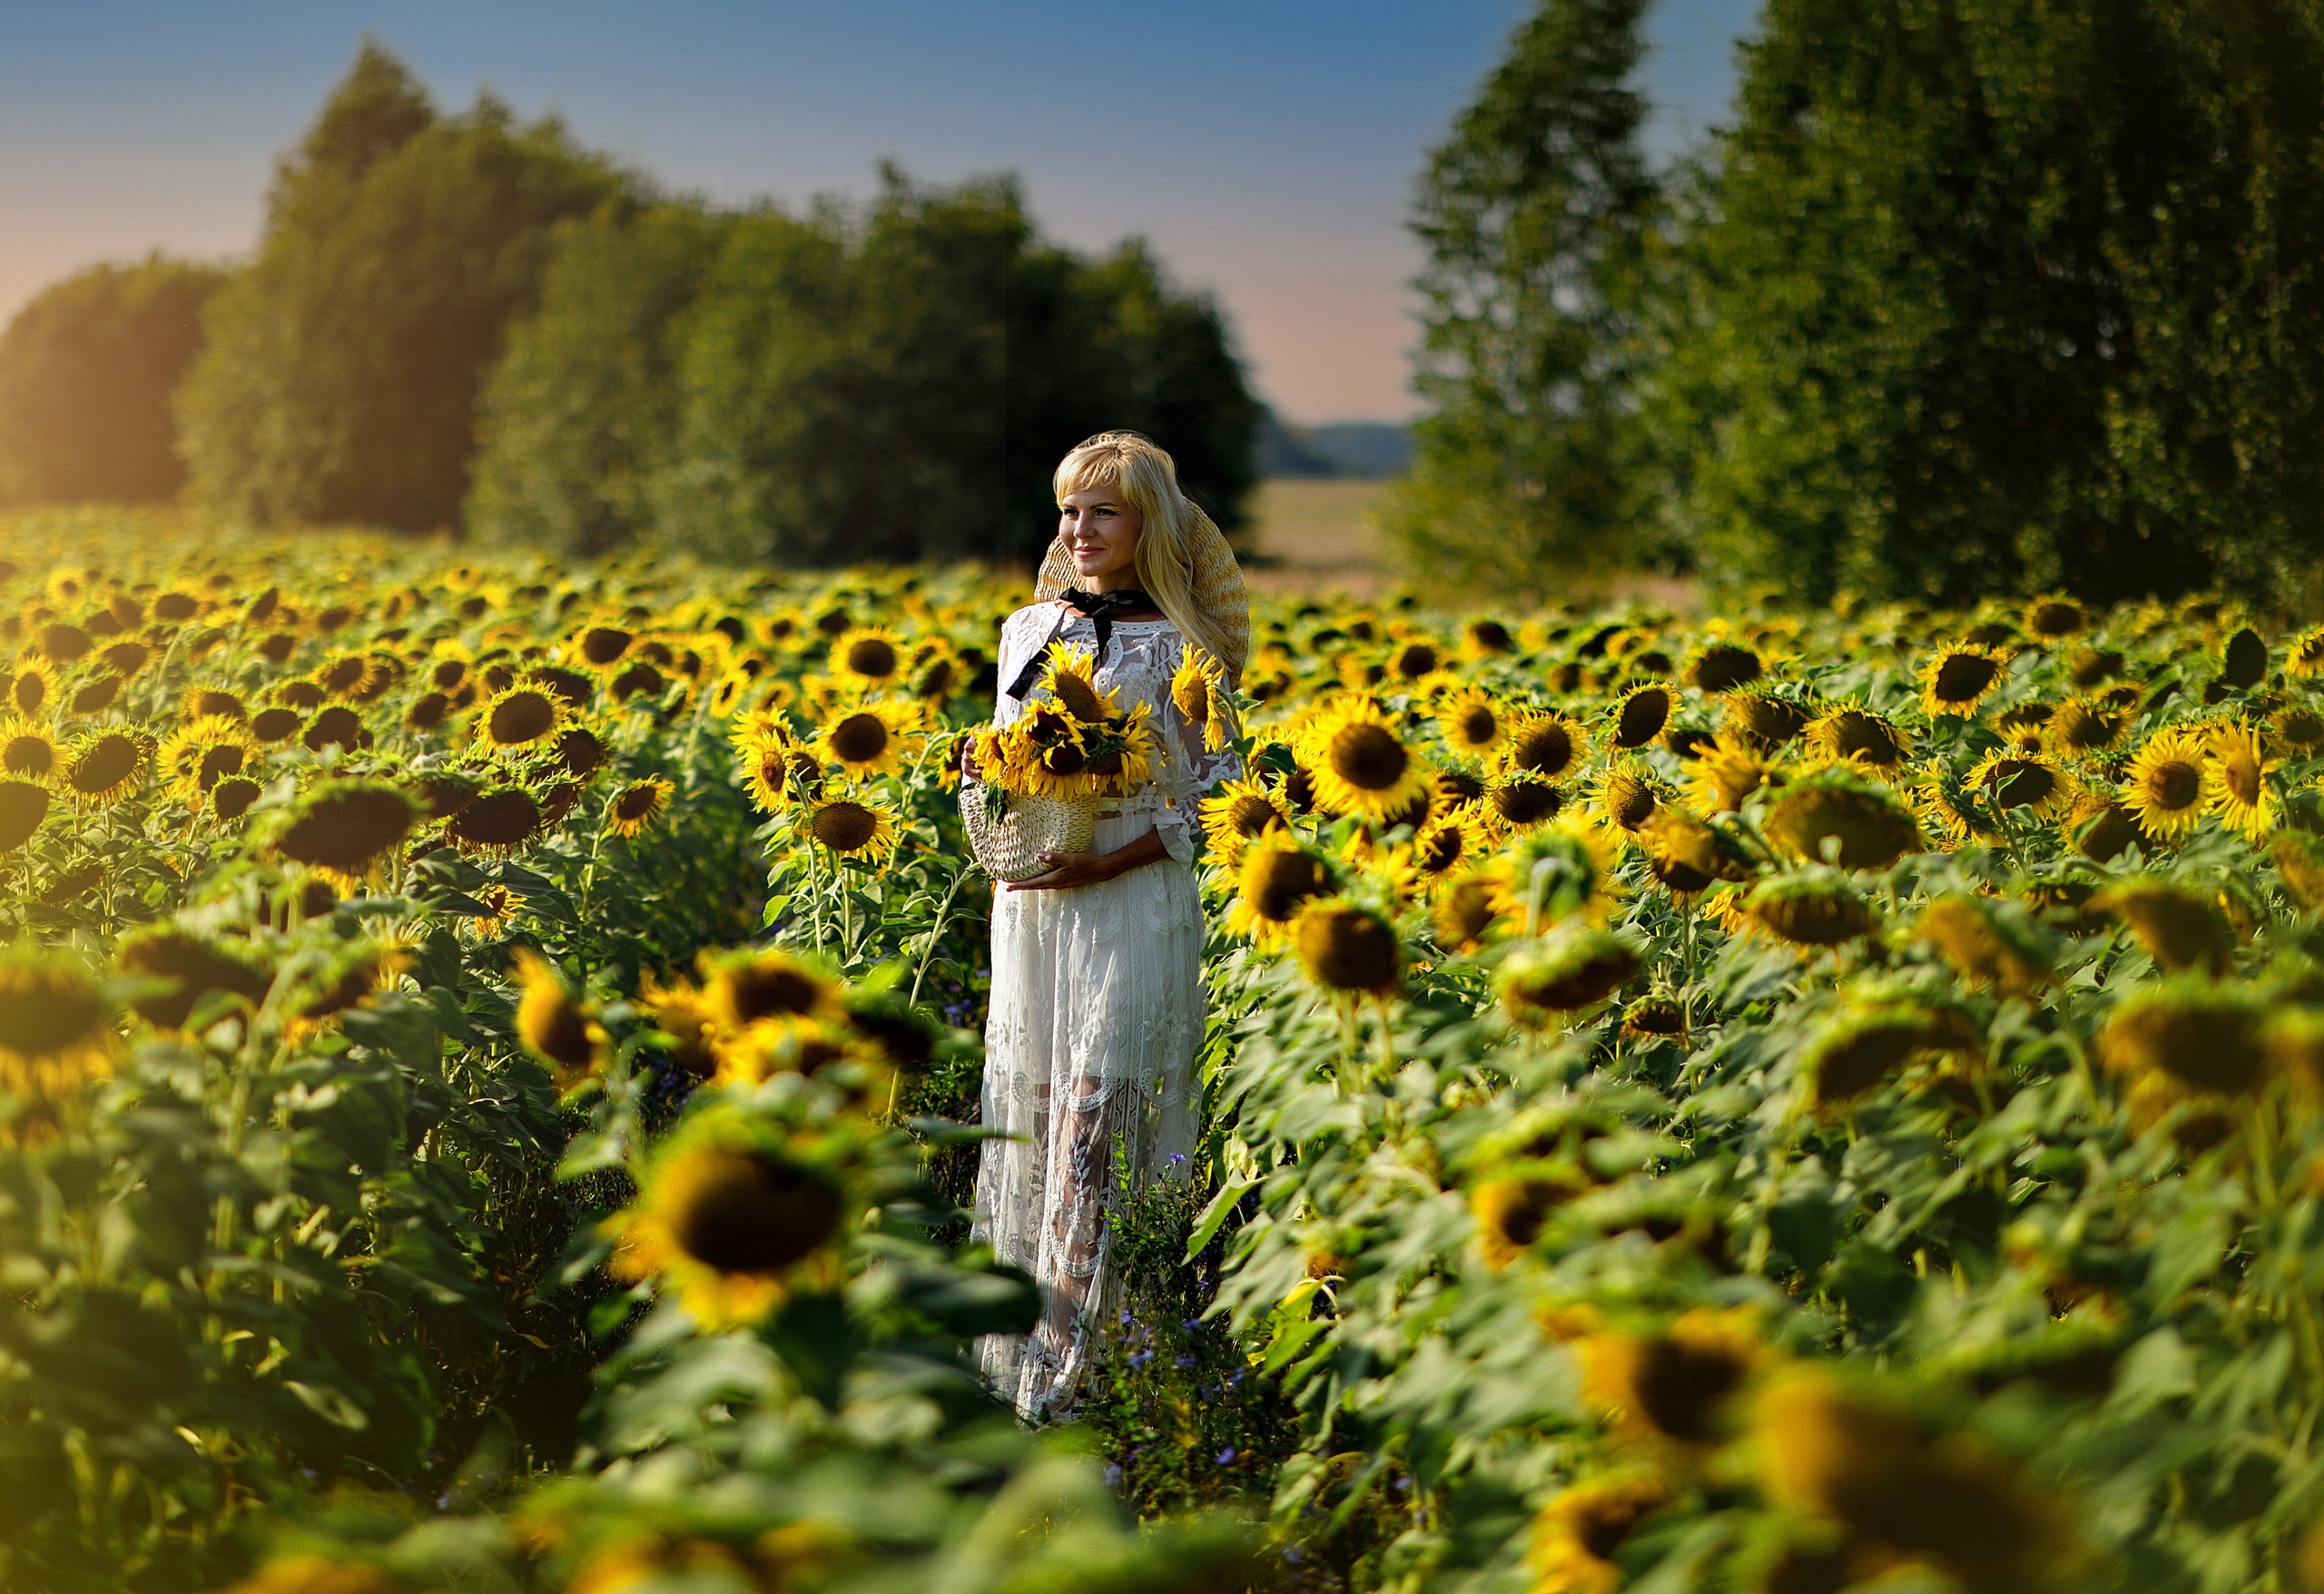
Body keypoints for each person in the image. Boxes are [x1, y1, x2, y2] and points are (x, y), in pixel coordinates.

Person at [972, 431, 1248, 1422]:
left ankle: (1088, 1368)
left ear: (1150, 526)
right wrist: (993, 786)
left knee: (1100, 1126)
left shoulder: (1186, 645)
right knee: (1041, 1122)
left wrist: (1110, 856)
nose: (1078, 531)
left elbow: (1220, 795)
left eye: (1103, 512)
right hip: (1037, 906)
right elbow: (1003, 758)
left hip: (1131, 898)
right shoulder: (1025, 630)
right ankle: (1035, 1360)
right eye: (1067, 511)